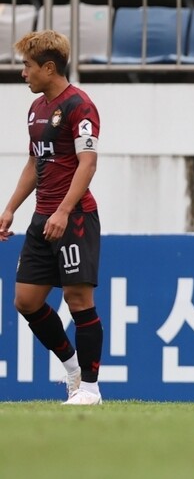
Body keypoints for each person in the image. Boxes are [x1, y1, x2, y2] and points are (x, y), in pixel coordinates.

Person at [0, 30, 103, 405]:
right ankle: (73, 370)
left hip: (74, 218)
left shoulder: (80, 106)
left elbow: (87, 163)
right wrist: (11, 208)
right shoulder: (37, 108)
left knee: (78, 300)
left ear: (48, 67)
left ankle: (90, 389)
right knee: (26, 300)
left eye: (27, 66)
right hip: (43, 218)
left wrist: (63, 210)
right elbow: (35, 161)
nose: (22, 73)